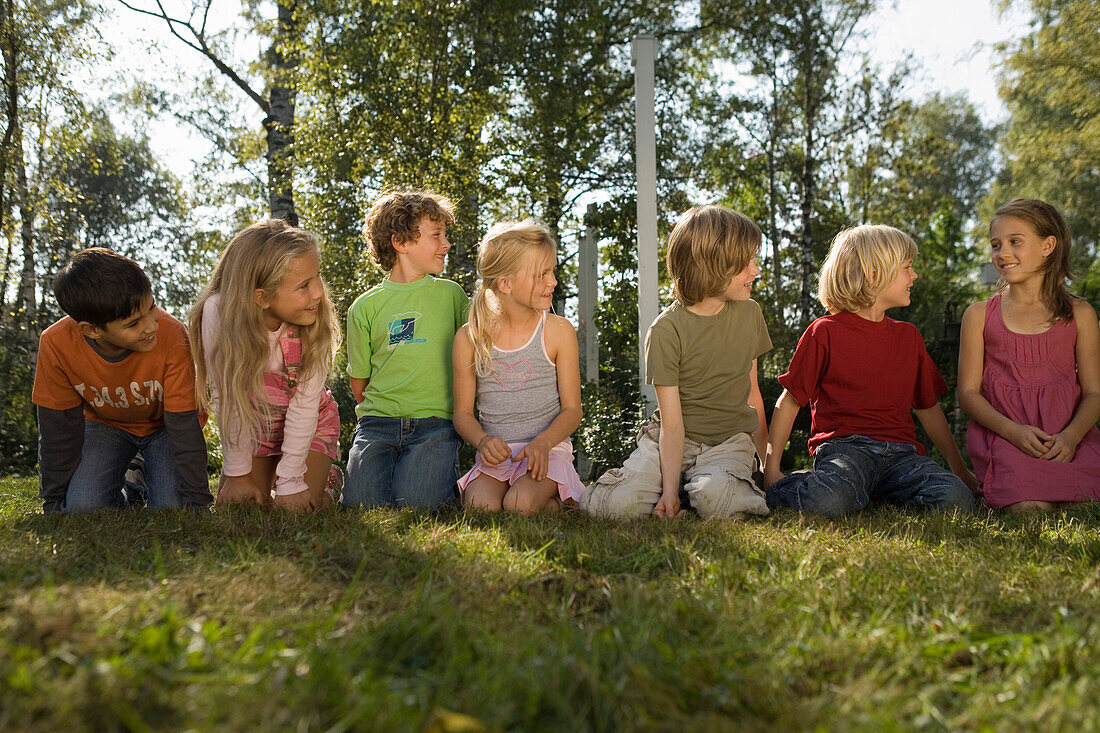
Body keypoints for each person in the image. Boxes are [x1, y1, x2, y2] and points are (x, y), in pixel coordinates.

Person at [764, 225, 978, 516]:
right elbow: (789, 402)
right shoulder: (824, 332)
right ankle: (805, 485)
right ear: (875, 274)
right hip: (845, 452)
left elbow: (929, 409)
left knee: (956, 499)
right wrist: (771, 470)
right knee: (829, 501)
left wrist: (960, 471)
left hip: (903, 457)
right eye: (907, 268)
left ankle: (865, 494)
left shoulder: (909, 336)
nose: (913, 276)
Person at [582, 205, 772, 519]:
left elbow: (752, 393)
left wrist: (767, 465)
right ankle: (677, 490)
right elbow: (671, 425)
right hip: (669, 441)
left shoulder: (750, 314)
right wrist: (668, 493)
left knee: (717, 500)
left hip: (728, 443)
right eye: (745, 263)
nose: (755, 270)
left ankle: (705, 488)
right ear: (713, 267)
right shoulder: (665, 331)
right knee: (612, 508)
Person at [33, 248, 210, 513]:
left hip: (165, 429)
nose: (151, 326)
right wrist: (54, 500)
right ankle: (131, 485)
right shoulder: (55, 343)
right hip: (105, 426)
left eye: (152, 308)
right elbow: (58, 430)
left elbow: (183, 424)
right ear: (92, 330)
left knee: (173, 508)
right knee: (83, 508)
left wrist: (197, 501)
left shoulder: (172, 334)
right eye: (133, 323)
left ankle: (142, 471)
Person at [189, 219, 342, 512]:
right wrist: (236, 472)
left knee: (299, 508)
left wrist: (291, 482)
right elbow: (228, 397)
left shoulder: (314, 319)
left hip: (308, 423)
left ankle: (325, 482)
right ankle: (271, 474)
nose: (319, 293)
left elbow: (305, 406)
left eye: (317, 277)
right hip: (254, 427)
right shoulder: (219, 313)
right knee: (243, 508)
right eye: (303, 285)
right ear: (262, 297)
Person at [959, 198, 1100, 511]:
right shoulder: (979, 315)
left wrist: (1071, 437)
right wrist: (1013, 432)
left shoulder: (1080, 314)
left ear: (1048, 245)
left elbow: (1094, 392)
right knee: (1029, 508)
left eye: (1015, 242)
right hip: (1007, 439)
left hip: (1068, 440)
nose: (1002, 253)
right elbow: (967, 394)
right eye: (996, 244)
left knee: (1084, 507)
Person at [342, 191, 468, 509]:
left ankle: (444, 483)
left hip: (436, 424)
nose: (446, 244)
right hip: (377, 425)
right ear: (401, 242)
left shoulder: (452, 296)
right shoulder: (364, 307)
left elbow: (478, 347)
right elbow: (360, 384)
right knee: (362, 506)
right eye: (436, 235)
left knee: (415, 504)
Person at [453, 220, 584, 514]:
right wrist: (483, 441)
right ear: (506, 284)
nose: (553, 281)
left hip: (547, 451)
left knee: (519, 504)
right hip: (497, 458)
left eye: (553, 271)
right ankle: (550, 506)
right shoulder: (469, 338)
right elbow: (462, 413)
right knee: (478, 506)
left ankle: (552, 501)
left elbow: (573, 410)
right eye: (542, 275)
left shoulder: (558, 331)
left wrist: (543, 443)